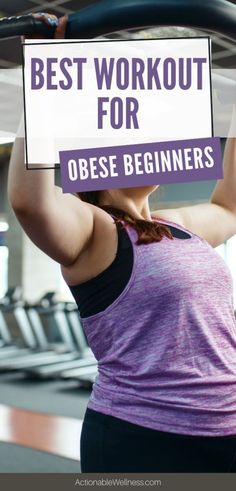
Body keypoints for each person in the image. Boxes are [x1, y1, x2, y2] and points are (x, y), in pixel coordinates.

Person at [8, 13, 236, 473]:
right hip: (146, 439)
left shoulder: (179, 226)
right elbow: (30, 203)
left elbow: (231, 206)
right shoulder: (93, 230)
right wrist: (50, 75)